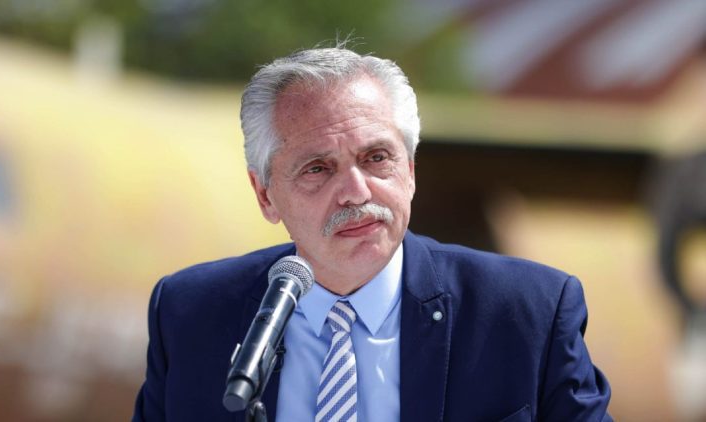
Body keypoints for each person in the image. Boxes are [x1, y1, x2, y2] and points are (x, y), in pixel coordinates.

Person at [133, 46, 612, 421]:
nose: (355, 191)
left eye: (376, 158)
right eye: (318, 168)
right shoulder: (188, 314)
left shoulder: (529, 311)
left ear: (411, 172)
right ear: (265, 196)